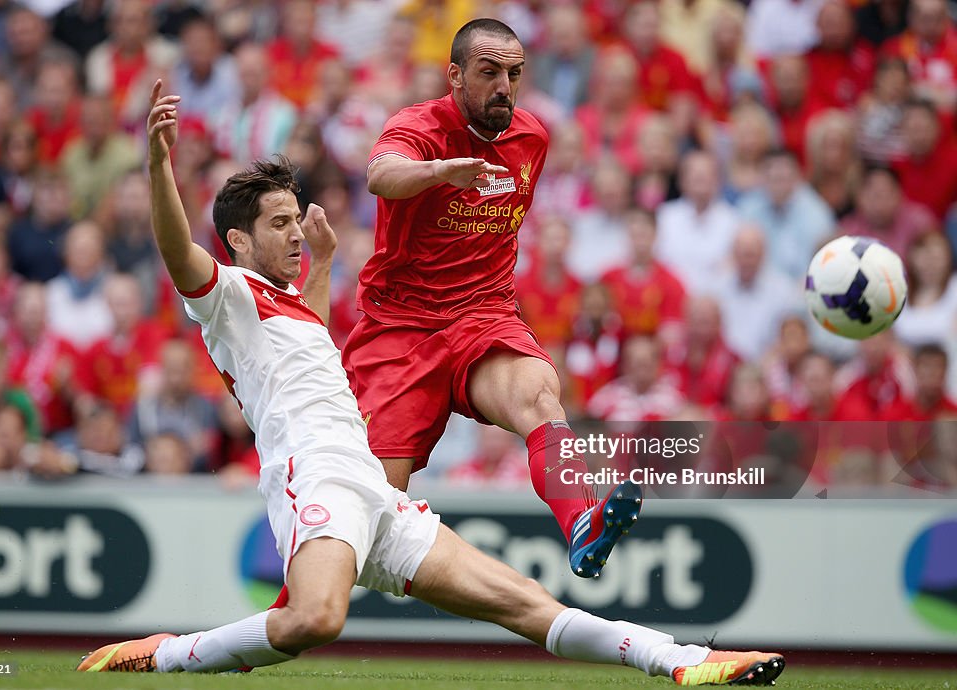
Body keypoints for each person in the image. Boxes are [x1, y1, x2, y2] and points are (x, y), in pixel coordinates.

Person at [76, 79, 786, 687]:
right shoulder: (225, 296)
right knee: (315, 619)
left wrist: (321, 263)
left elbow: (310, 340)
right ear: (236, 241)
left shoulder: (285, 305)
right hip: (315, 479)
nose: (297, 232)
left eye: (298, 219)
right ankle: (164, 655)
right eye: (281, 224)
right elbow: (177, 254)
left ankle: (686, 661)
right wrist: (159, 164)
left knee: (525, 602)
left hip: (375, 493)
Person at [343, 18, 640, 579]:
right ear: (454, 75)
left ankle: (582, 522)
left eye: (515, 73)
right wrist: (439, 172)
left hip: (483, 316)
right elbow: (381, 176)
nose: (504, 85)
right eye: (488, 72)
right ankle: (285, 615)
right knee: (371, 509)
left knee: (540, 396)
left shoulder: (533, 138)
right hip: (401, 327)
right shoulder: (418, 127)